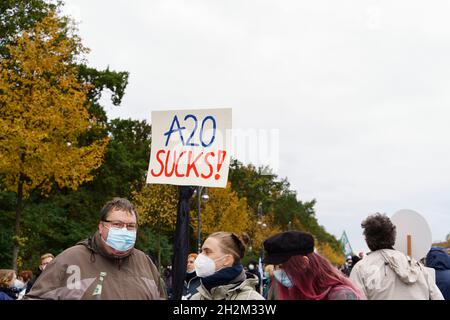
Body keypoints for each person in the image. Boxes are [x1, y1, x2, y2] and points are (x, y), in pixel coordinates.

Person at [25, 198, 166, 300]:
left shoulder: (145, 262)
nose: (124, 230)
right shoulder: (70, 259)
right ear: (101, 227)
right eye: (117, 224)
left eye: (130, 226)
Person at [349, 213, 444, 300]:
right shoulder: (417, 266)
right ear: (393, 237)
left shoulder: (361, 269)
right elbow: (437, 297)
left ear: (367, 240)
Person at [263, 231, 364, 300]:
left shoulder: (340, 295)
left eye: (282, 266)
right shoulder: (295, 291)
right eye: (276, 267)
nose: (277, 272)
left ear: (304, 263)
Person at [190, 231, 264, 300]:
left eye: (207, 252)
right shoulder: (196, 298)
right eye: (201, 251)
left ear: (227, 260)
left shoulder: (251, 298)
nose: (200, 256)